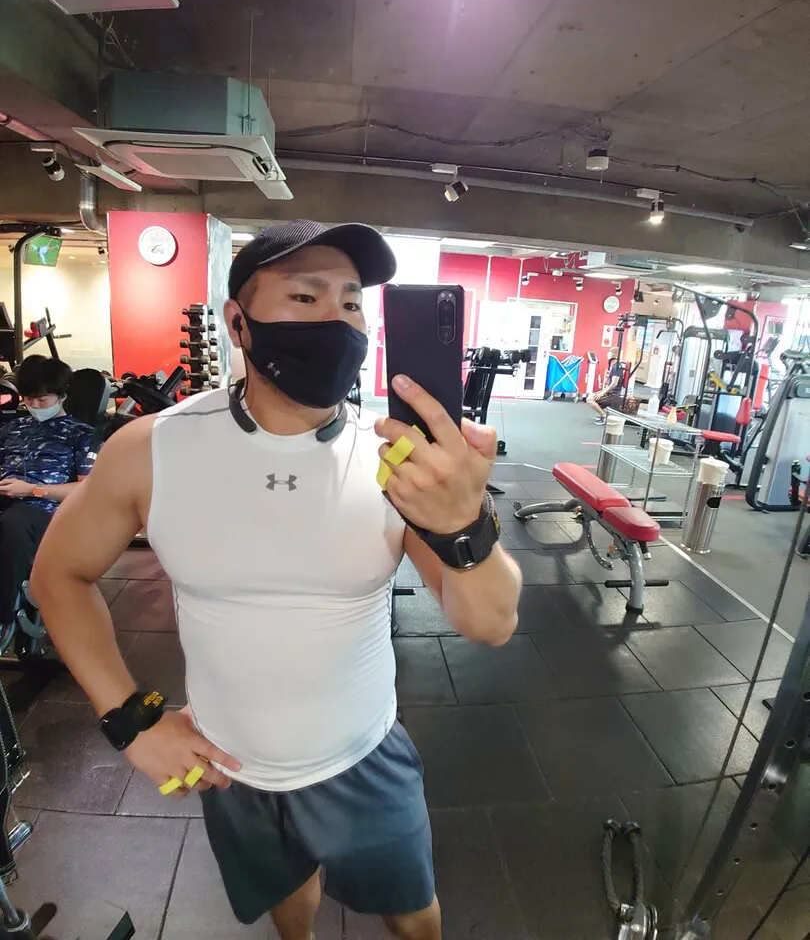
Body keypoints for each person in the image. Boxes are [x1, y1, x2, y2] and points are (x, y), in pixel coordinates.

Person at [31, 219, 523, 940]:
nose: (338, 321)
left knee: (415, 916)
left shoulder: (394, 463)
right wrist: (129, 719)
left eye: (351, 303)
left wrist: (464, 525)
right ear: (238, 323)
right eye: (305, 296)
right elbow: (58, 574)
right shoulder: (150, 450)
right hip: (231, 765)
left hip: (363, 756)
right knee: (289, 902)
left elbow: (492, 622)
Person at [0, 355, 97, 646]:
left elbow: (87, 489)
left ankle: (3, 618)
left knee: (14, 523)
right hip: (6, 502)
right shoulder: (10, 430)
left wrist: (32, 490)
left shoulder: (82, 434)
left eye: (42, 399)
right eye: (29, 399)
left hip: (46, 512)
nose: (35, 405)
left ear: (62, 395)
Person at [585, 350, 624, 424]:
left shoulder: (617, 367)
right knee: (591, 395)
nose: (608, 355)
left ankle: (605, 416)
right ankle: (603, 415)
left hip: (614, 395)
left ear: (614, 355)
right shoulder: (614, 366)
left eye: (610, 353)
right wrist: (601, 392)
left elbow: (614, 383)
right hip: (611, 393)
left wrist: (602, 393)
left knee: (590, 400)